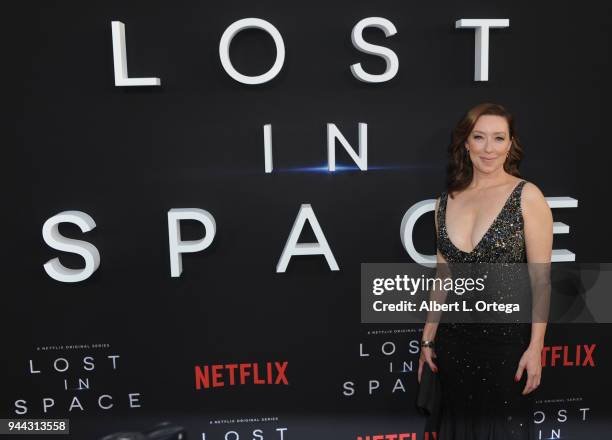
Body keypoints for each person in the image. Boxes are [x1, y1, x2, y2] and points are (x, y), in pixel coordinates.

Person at [418, 102, 553, 439]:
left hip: (505, 347)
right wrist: (427, 340)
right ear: (466, 143)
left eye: (498, 138)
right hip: (453, 345)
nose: (488, 149)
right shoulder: (445, 201)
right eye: (479, 137)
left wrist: (535, 348)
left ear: (510, 144)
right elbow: (443, 277)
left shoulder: (527, 196)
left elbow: (542, 280)